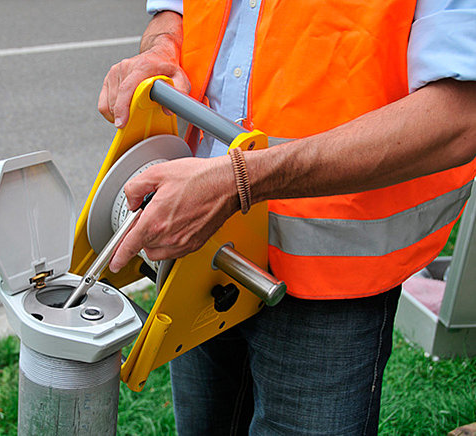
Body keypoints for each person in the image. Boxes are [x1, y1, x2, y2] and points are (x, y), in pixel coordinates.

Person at [99, 1, 476, 435]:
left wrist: (239, 179)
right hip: (198, 242)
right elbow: (176, 8)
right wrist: (161, 46)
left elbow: (460, 115)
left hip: (330, 266)